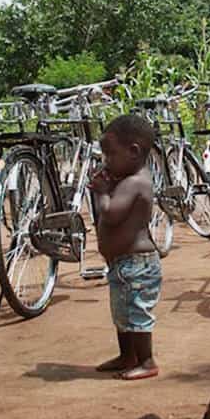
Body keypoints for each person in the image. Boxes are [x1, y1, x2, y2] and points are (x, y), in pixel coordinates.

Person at [89, 114, 162, 380]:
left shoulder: (136, 183)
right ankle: (127, 356)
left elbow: (111, 214)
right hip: (123, 265)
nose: (106, 161)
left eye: (110, 155)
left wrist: (101, 192)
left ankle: (147, 360)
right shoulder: (127, 179)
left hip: (137, 265)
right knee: (122, 313)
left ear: (133, 152)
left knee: (137, 314)